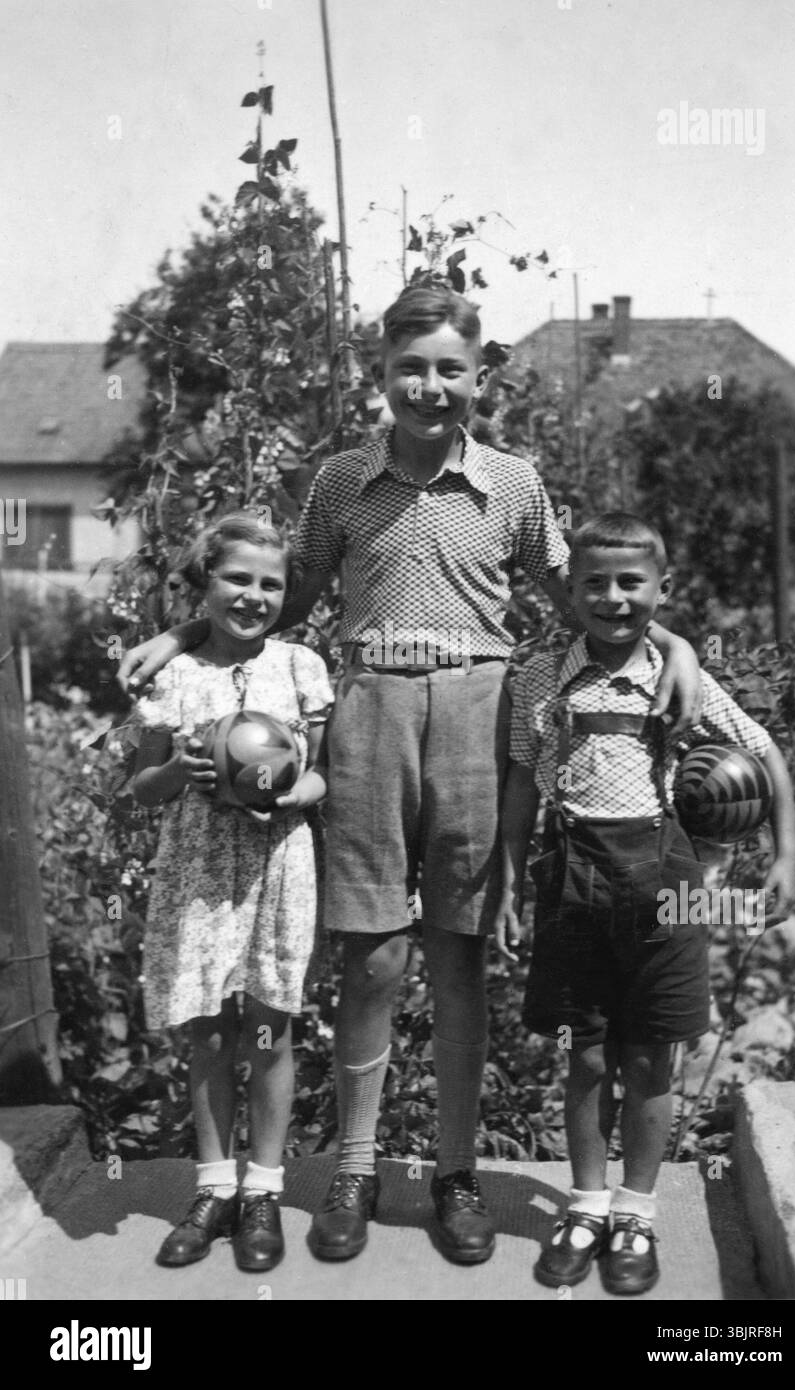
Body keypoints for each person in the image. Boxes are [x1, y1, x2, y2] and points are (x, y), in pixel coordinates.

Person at [118, 285, 703, 1267]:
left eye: (448, 368)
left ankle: (454, 1170)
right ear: (379, 376)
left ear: (479, 376)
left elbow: (588, 595)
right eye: (409, 369)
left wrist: (676, 646)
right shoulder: (341, 480)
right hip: (370, 711)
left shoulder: (514, 484)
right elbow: (284, 598)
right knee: (374, 958)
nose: (429, 386)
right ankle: (353, 1167)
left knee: (458, 952)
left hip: (479, 710)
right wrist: (180, 630)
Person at [496, 512, 795, 1294]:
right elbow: (522, 785)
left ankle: (636, 1211)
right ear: (570, 589)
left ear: (663, 589)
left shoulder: (679, 676)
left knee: (651, 1058)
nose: (613, 597)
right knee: (588, 1056)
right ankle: (587, 1205)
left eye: (632, 582)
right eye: (594, 582)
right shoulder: (540, 677)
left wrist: (786, 856)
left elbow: (764, 754)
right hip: (573, 880)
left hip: (671, 889)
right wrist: (504, 884)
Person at [131, 512, 333, 1272]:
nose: (253, 596)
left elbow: (324, 771)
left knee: (268, 1026)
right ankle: (213, 1185)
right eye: (237, 579)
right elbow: (144, 788)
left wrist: (291, 796)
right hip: (199, 867)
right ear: (204, 583)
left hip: (277, 858)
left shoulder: (300, 666)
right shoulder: (175, 674)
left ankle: (263, 1192)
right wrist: (181, 770)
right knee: (209, 1028)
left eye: (270, 584)